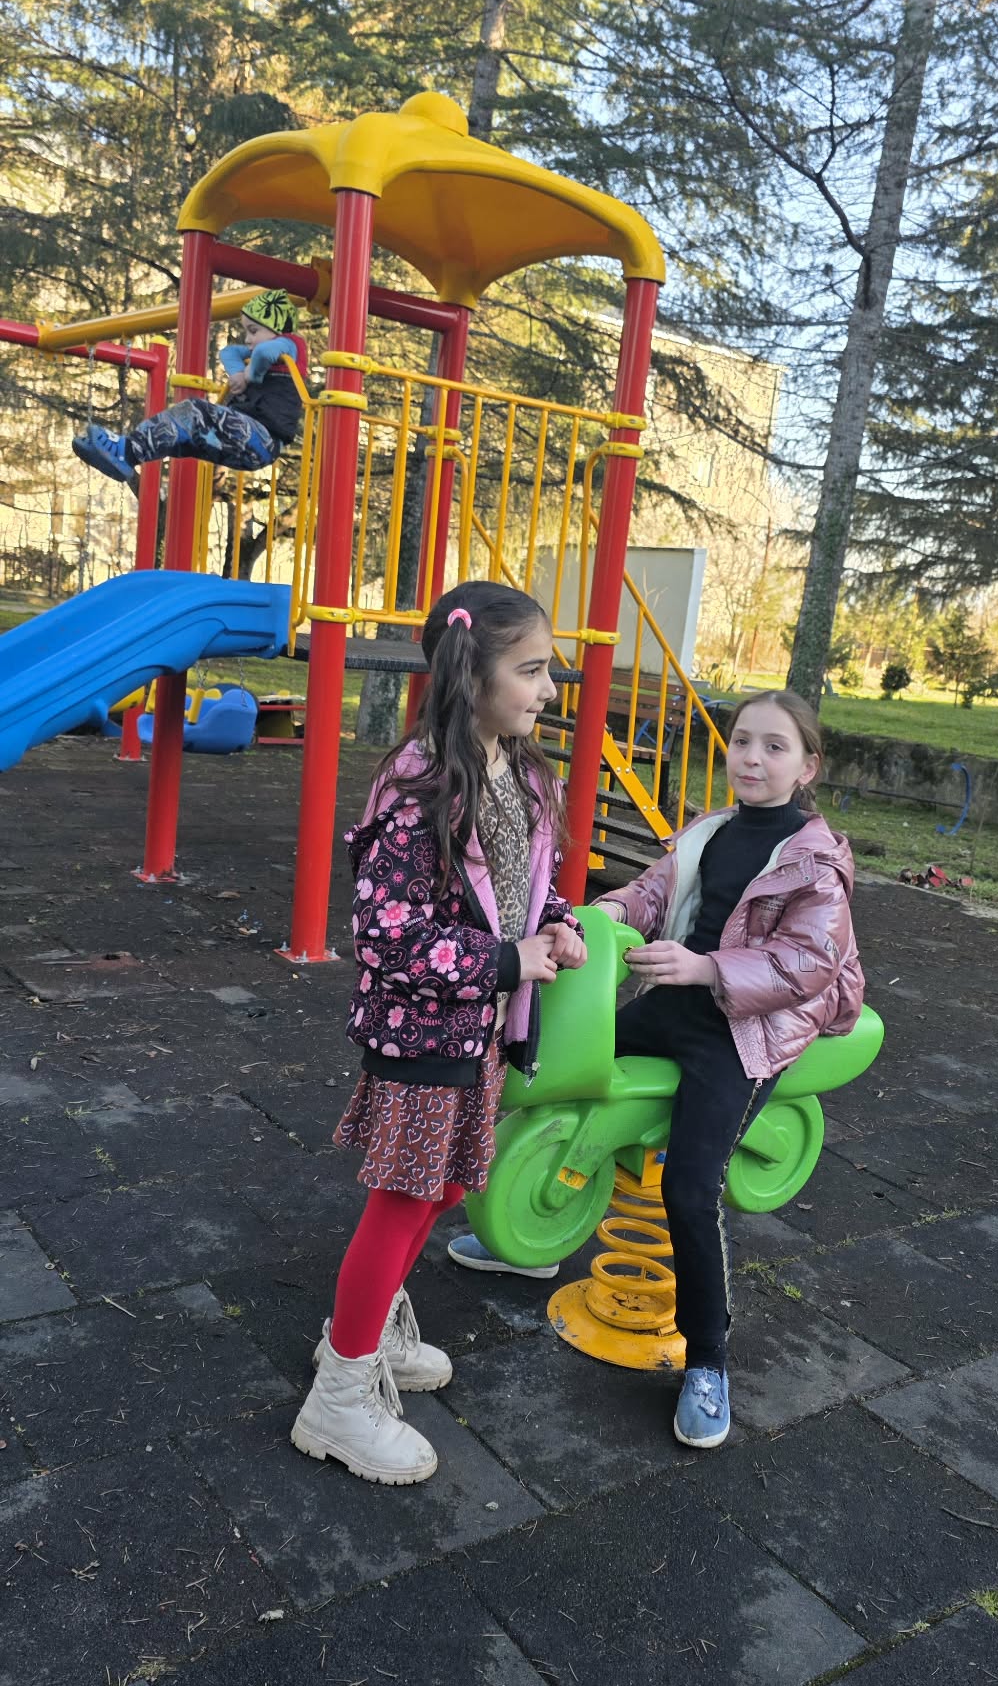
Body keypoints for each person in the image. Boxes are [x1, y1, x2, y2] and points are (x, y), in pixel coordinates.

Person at [448, 688, 865, 1451]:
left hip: (742, 1032)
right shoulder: (710, 832)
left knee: (689, 1186)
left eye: (774, 747)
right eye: (742, 741)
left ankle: (707, 1361)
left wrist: (706, 968)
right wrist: (600, 917)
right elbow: (651, 893)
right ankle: (533, 1237)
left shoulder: (816, 863)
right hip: (675, 1003)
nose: (752, 759)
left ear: (808, 767)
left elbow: (807, 963)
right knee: (552, 1071)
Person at [291, 581, 587, 1486]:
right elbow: (386, 935)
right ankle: (339, 1395)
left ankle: (366, 1324)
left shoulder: (520, 772)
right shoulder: (421, 786)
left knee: (449, 1183)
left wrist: (557, 924)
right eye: (530, 670)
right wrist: (507, 962)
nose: (548, 690)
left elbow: (527, 886)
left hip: (481, 1030)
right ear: (471, 674)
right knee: (404, 1201)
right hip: (425, 1033)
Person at [71, 288, 305, 491]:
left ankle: (126, 449)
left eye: (253, 331)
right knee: (181, 434)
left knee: (194, 412)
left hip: (264, 439)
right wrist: (237, 374)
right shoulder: (262, 349)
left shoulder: (291, 344)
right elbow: (228, 352)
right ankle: (126, 455)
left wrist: (250, 375)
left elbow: (264, 353)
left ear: (278, 329)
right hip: (245, 441)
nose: (247, 339)